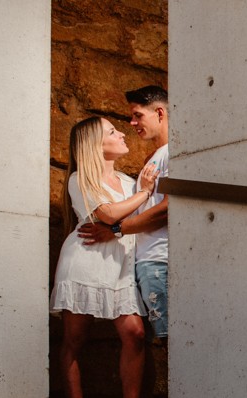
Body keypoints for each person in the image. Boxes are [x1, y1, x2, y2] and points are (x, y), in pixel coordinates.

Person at [51, 117, 160, 398]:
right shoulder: (78, 179)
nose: (122, 133)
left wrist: (137, 196)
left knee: (135, 334)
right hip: (85, 261)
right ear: (95, 144)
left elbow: (134, 220)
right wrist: (143, 193)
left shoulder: (129, 182)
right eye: (112, 131)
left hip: (121, 264)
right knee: (74, 338)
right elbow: (110, 215)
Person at [81, 85, 169, 341]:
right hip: (148, 261)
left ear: (160, 114)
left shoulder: (174, 152)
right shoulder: (152, 157)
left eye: (138, 115)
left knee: (171, 342)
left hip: (160, 259)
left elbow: (167, 210)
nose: (132, 123)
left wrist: (116, 230)